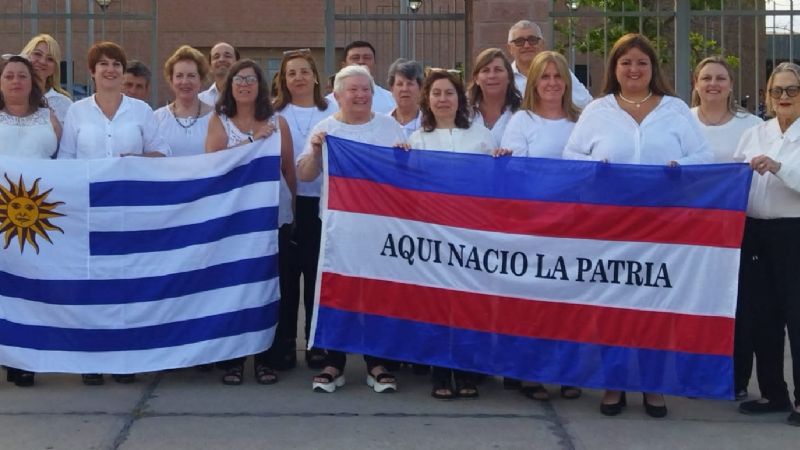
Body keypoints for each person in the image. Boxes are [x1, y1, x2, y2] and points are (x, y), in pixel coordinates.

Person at [563, 34, 712, 418]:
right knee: (613, 305)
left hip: (663, 225)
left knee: (656, 305)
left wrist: (682, 169)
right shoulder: (597, 110)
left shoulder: (676, 109)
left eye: (641, 63)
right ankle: (614, 384)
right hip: (610, 227)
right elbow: (571, 155)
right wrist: (596, 170)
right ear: (614, 68)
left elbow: (703, 155)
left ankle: (653, 384)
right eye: (626, 62)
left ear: (653, 69)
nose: (634, 69)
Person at [58, 41, 168, 385]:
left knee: (127, 286)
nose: (110, 70)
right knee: (91, 286)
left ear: (124, 72)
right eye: (103, 64)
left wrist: (133, 162)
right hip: (88, 214)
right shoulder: (77, 112)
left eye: (116, 64)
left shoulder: (141, 111)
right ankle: (92, 359)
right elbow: (65, 163)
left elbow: (161, 154)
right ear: (91, 71)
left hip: (130, 213)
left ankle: (125, 358)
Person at [296, 65, 407, 394]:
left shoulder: (390, 127)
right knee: (337, 293)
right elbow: (304, 174)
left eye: (366, 90)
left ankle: (376, 362)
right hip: (337, 229)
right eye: (353, 90)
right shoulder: (326, 128)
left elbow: (405, 176)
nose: (360, 95)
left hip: (379, 226)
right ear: (339, 95)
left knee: (377, 292)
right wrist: (316, 150)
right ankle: (334, 361)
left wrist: (404, 158)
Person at [205, 59, 297, 385]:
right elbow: (214, 164)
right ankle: (234, 359)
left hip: (273, 218)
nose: (244, 84)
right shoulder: (218, 121)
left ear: (261, 85)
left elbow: (288, 170)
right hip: (234, 223)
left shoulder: (278, 122)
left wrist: (293, 210)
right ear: (229, 85)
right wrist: (250, 140)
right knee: (236, 287)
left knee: (270, 288)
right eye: (239, 79)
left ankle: (266, 358)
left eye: (251, 79)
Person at [500, 51, 582, 401]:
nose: (551, 83)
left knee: (568, 301)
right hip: (533, 225)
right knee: (532, 301)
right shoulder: (521, 121)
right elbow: (514, 173)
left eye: (557, 76)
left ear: (567, 81)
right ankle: (530, 371)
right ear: (533, 82)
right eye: (544, 77)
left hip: (573, 226)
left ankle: (567, 372)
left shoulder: (583, 120)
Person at [734, 62, 800, 427]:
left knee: (797, 316)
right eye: (777, 91)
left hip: (794, 232)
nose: (784, 97)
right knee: (763, 318)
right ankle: (774, 392)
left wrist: (778, 166)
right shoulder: (756, 132)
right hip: (755, 232)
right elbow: (731, 176)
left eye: (792, 90)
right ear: (767, 96)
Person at [272, 49, 336, 370]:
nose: (298, 78)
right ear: (283, 80)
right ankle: (284, 343)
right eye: (291, 73)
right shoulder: (272, 112)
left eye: (303, 71)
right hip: (284, 205)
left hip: (322, 204)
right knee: (285, 277)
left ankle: (315, 344)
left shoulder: (334, 110)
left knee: (316, 277)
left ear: (315, 76)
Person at [0, 55, 61, 387]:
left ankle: (25, 359)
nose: (15, 81)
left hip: (36, 220)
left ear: (31, 82)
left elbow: (65, 165)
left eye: (21, 75)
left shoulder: (48, 117)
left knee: (32, 290)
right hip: (0, 219)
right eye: (8, 76)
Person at [691, 56, 762, 163]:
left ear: (731, 85)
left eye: (720, 78)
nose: (713, 83)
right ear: (696, 84)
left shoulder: (753, 125)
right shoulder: (681, 121)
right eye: (706, 78)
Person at [506, 20, 592, 108]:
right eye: (519, 41)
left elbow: (586, 104)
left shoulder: (559, 71)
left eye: (532, 40)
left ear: (542, 44)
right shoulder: (504, 77)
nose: (527, 45)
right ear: (510, 48)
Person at [154, 45, 213, 156]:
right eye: (179, 76)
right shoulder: (156, 119)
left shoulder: (216, 118)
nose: (185, 82)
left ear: (201, 79)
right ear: (171, 80)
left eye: (191, 75)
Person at [467, 48, 521, 147]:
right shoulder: (464, 112)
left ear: (509, 77)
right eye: (485, 70)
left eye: (498, 70)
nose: (492, 76)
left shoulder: (523, 112)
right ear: (476, 79)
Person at [325, 41, 396, 114]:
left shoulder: (391, 101)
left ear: (374, 64)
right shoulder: (328, 104)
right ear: (344, 65)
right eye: (355, 58)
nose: (361, 61)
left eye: (367, 58)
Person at [20, 33, 72, 125]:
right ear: (26, 56)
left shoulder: (64, 104)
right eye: (37, 54)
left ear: (54, 68)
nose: (42, 61)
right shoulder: (8, 96)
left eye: (50, 59)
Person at [387, 58, 423, 137]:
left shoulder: (430, 126)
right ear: (392, 89)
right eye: (400, 84)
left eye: (410, 84)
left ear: (420, 88)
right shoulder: (382, 125)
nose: (405, 89)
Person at [199, 42, 239, 106]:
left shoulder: (248, 98)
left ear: (238, 63)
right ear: (210, 66)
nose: (221, 59)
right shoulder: (200, 100)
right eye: (216, 57)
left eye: (227, 56)